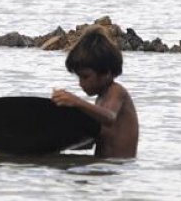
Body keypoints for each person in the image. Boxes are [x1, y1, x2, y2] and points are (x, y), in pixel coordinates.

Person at [51, 27, 139, 158]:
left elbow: (110, 117)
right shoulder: (100, 100)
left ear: (106, 73)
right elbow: (91, 141)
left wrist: (77, 102)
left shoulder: (116, 91)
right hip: (103, 166)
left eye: (85, 77)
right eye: (79, 77)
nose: (81, 83)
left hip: (116, 169)